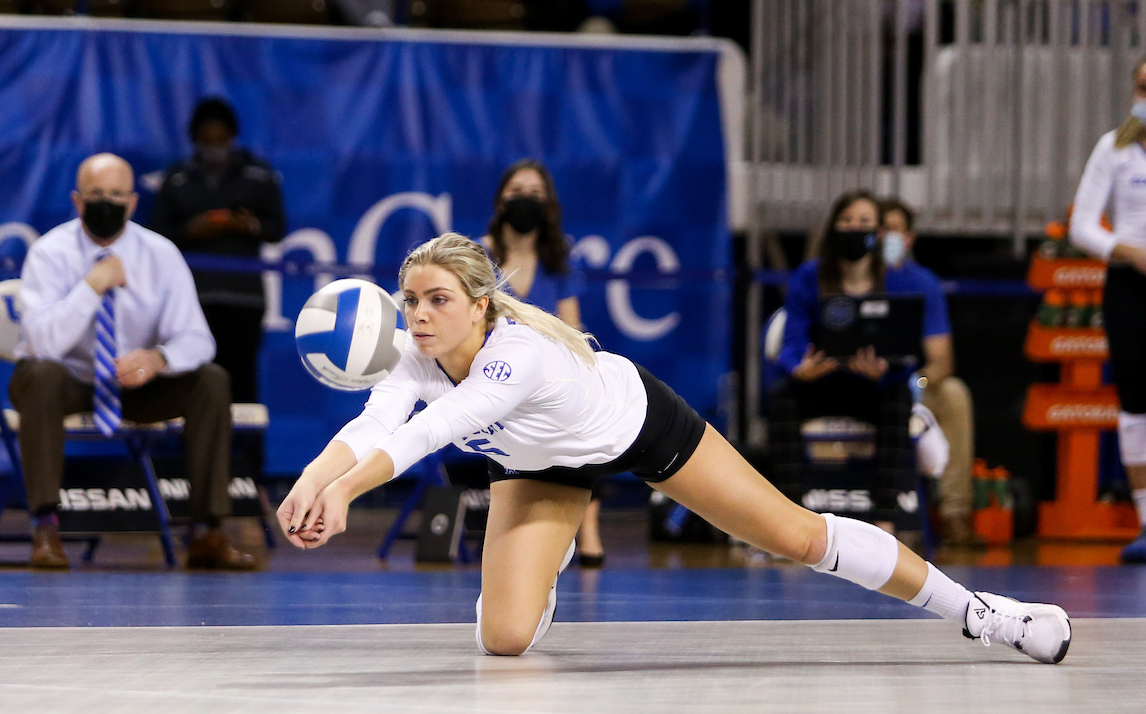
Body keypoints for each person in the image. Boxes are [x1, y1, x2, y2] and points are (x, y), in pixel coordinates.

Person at [277, 232, 1071, 664]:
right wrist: (315, 480)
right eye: (410, 299)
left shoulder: (514, 356)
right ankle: (539, 572)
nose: (418, 314)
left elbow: (425, 435)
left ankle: (979, 613)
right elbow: (373, 426)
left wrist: (345, 495)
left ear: (481, 308)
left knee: (796, 534)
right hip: (538, 465)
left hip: (636, 423)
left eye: (437, 300)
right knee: (505, 640)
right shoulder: (414, 356)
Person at [13, 153, 255, 571]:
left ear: (133, 202)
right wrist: (91, 287)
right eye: (96, 194)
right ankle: (45, 527)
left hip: (135, 385)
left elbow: (198, 339)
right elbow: (42, 343)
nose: (106, 202)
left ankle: (208, 532)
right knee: (39, 375)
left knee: (211, 381)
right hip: (69, 381)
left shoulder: (160, 254)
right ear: (77, 201)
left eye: (116, 194)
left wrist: (157, 358)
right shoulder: (49, 253)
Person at [769, 189, 944, 535]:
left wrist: (888, 370)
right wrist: (800, 368)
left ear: (878, 232)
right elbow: (790, 343)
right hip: (822, 381)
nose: (853, 228)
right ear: (833, 227)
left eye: (864, 221)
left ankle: (885, 519)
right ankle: (790, 519)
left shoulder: (902, 280)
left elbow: (909, 355)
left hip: (874, 386)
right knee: (781, 397)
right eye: (846, 220)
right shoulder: (809, 276)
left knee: (899, 399)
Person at [481, 159, 603, 567]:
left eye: (535, 194)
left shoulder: (559, 259)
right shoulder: (477, 258)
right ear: (500, 201)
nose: (525, 201)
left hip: (549, 380)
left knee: (585, 411)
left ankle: (586, 531)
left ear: (548, 205)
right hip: (495, 378)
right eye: (517, 193)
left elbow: (572, 328)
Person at [149, 96, 286, 405]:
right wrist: (190, 231)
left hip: (243, 299)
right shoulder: (176, 177)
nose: (214, 148)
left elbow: (276, 229)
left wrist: (246, 225)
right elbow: (155, 235)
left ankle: (246, 455)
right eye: (207, 141)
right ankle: (195, 454)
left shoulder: (259, 174)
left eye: (221, 141)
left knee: (243, 383)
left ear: (233, 138)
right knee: (194, 381)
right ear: (194, 139)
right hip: (193, 298)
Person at [1070, 53, 1146, 563]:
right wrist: (1131, 252)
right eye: (1142, 88)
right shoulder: (1114, 148)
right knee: (1136, 400)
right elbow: (1082, 226)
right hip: (1130, 284)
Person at [879, 197, 977, 545]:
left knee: (953, 393)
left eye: (892, 230)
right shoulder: (841, 274)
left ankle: (954, 513)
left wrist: (915, 383)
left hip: (908, 385)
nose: (883, 237)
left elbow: (941, 360)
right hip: (858, 385)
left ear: (909, 238)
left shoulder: (924, 282)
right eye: (878, 229)